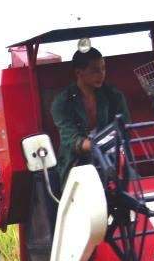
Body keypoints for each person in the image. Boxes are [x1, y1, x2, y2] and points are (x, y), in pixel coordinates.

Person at [50, 46, 133, 181]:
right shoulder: (62, 102)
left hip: (113, 160)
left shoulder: (114, 95)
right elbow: (71, 140)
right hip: (77, 165)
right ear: (79, 73)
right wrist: (97, 145)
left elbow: (125, 127)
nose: (101, 74)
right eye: (95, 70)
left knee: (136, 188)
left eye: (103, 68)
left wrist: (110, 143)